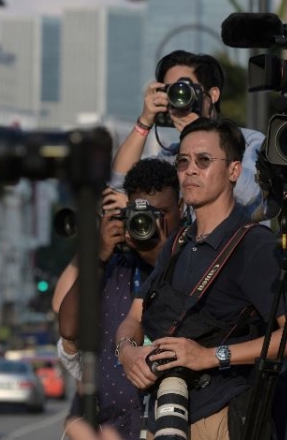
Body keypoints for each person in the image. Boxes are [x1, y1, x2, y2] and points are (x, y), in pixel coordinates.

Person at [115, 118, 287, 440]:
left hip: (221, 414)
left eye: (203, 160)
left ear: (234, 171)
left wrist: (210, 356)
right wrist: (127, 352)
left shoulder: (255, 245)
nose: (190, 170)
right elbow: (133, 318)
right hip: (164, 413)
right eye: (183, 161)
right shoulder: (179, 241)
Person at [58, 159, 183, 440]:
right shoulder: (114, 265)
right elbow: (68, 328)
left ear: (182, 209)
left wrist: (160, 255)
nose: (151, 223)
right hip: (113, 428)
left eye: (162, 212)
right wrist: (100, 253)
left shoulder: (193, 260)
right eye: (141, 215)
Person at [111, 51, 267, 221]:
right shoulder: (172, 156)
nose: (179, 99)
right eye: (171, 91)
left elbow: (250, 194)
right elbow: (119, 185)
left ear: (213, 95)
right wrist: (144, 122)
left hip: (239, 245)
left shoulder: (250, 141)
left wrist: (198, 134)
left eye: (186, 89)